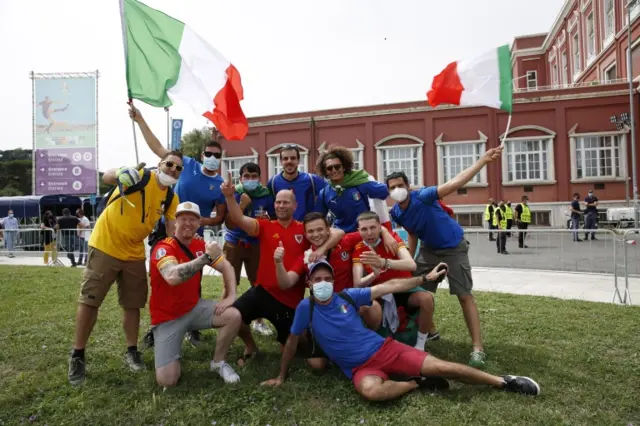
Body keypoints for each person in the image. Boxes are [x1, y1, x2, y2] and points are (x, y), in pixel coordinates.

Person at [261, 260, 541, 401]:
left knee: (443, 367)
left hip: (384, 350)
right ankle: (414, 383)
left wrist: (424, 278)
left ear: (333, 281)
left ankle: (504, 381)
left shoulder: (347, 296)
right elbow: (291, 342)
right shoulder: (305, 309)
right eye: (317, 279)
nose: (322, 283)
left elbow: (389, 287)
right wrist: (281, 375)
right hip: (359, 370)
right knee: (371, 393)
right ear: (310, 283)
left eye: (327, 279)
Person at [67, 152, 182, 386]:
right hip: (104, 245)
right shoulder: (141, 174)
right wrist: (120, 172)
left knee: (133, 304)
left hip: (134, 253)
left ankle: (132, 351)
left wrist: (177, 250)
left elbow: (172, 229)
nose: (172, 169)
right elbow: (108, 177)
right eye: (169, 164)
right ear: (160, 164)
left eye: (178, 168)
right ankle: (77, 355)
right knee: (90, 301)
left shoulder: (171, 197)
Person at [385, 146, 503, 369]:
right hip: (428, 251)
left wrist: (483, 161)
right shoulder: (396, 212)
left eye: (401, 185)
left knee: (464, 295)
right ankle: (429, 331)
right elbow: (412, 232)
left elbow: (454, 184)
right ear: (389, 192)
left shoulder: (424, 196)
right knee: (415, 289)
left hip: (453, 248)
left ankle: (477, 348)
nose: (397, 189)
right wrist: (411, 260)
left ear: (408, 186)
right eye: (393, 187)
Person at [221, 172, 344, 366]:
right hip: (262, 292)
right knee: (232, 316)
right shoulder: (264, 226)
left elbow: (336, 232)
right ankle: (251, 346)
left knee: (302, 353)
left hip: (289, 301)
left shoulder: (304, 229)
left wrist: (321, 249)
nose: (281, 205)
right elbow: (237, 218)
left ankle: (303, 337)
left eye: (286, 202)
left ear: (295, 206)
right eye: (278, 202)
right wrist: (229, 196)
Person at [130, 105, 227, 345]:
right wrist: (141, 120)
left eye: (217, 155)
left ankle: (193, 326)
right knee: (162, 280)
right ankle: (157, 327)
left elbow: (220, 218)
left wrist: (199, 221)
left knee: (194, 279)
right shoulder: (187, 166)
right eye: (209, 154)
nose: (212, 158)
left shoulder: (220, 183)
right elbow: (158, 149)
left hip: (194, 237)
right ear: (202, 154)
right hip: (167, 231)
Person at [149, 202, 242, 386]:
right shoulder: (164, 247)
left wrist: (231, 294)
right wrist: (206, 258)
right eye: (183, 218)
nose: (188, 223)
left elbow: (227, 267)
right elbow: (172, 276)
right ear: (175, 222)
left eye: (192, 219)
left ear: (199, 223)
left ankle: (218, 362)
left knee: (234, 315)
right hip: (168, 318)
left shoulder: (199, 244)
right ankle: (169, 347)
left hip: (193, 308)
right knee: (167, 381)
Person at [352, 211, 437, 350]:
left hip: (405, 288)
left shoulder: (392, 239)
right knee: (368, 309)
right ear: (358, 231)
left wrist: (384, 262)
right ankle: (373, 340)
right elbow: (357, 283)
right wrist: (373, 274)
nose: (369, 233)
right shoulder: (359, 249)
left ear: (380, 227)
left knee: (426, 298)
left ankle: (420, 345)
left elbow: (411, 265)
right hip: (383, 293)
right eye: (364, 229)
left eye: (373, 227)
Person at [223, 161, 275, 336]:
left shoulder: (266, 194)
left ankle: (259, 322)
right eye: (247, 176)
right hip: (234, 243)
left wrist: (268, 220)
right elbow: (230, 224)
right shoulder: (234, 193)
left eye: (254, 176)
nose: (250, 179)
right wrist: (243, 205)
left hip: (255, 244)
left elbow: (274, 220)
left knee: (258, 282)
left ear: (259, 178)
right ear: (241, 178)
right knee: (229, 282)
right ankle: (224, 319)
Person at [315, 147, 389, 232]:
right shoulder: (324, 193)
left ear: (344, 167)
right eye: (329, 168)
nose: (334, 170)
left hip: (364, 234)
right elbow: (318, 218)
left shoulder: (360, 183)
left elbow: (386, 190)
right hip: (341, 235)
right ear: (325, 172)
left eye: (337, 166)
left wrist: (401, 189)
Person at [267, 144, 327, 221]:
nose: (289, 161)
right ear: (281, 161)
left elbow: (330, 195)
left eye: (293, 158)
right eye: (285, 158)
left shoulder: (312, 180)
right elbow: (270, 208)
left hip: (307, 228)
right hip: (283, 228)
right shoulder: (272, 182)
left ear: (298, 160)